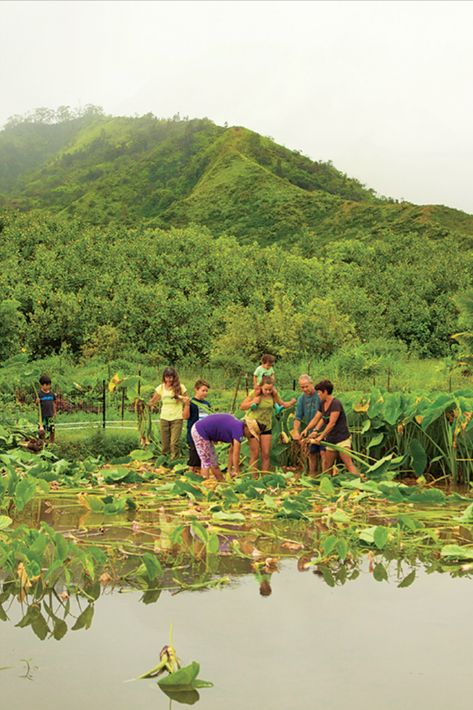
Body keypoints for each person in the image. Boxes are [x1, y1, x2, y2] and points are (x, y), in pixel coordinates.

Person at [300, 379, 360, 476]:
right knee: (327, 465)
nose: (318, 395)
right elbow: (320, 419)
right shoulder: (322, 404)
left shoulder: (336, 403)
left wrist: (320, 437)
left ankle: (360, 483)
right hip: (331, 439)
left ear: (325, 392)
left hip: (342, 439)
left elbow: (331, 423)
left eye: (319, 393)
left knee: (348, 463)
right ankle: (327, 485)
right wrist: (312, 430)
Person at [240, 375, 296, 473]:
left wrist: (291, 402)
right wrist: (253, 401)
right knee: (255, 454)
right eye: (266, 389)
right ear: (261, 387)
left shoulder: (273, 395)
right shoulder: (254, 394)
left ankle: (265, 476)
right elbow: (242, 406)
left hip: (266, 426)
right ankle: (253, 477)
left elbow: (283, 404)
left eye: (270, 389)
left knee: (266, 453)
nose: (268, 392)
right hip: (253, 425)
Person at [191, 413, 260, 480]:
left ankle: (221, 481)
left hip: (204, 432)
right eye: (251, 434)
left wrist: (229, 470)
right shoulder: (238, 430)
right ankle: (204, 485)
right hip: (200, 431)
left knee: (214, 462)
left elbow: (232, 452)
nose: (250, 437)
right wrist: (236, 471)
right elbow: (236, 454)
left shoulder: (237, 426)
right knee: (206, 462)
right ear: (247, 428)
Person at [148, 367, 189, 460]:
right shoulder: (161, 388)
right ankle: (165, 461)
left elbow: (187, 400)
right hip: (164, 417)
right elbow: (153, 400)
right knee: (165, 443)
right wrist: (145, 405)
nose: (169, 379)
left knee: (174, 443)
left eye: (171, 377)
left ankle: (174, 461)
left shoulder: (181, 387)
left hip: (177, 417)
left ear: (175, 377)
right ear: (164, 377)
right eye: (167, 377)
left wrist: (183, 400)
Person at [291, 374, 320, 475]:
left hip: (323, 430)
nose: (304, 389)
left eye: (306, 386)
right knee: (311, 453)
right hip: (310, 431)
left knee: (325, 453)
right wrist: (295, 431)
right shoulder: (301, 398)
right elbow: (297, 417)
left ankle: (325, 475)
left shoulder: (319, 395)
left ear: (312, 384)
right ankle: (313, 475)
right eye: (302, 387)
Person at [184, 379, 212, 472]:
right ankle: (190, 474)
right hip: (193, 433)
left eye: (206, 391)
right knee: (193, 455)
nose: (205, 393)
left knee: (203, 456)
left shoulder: (207, 404)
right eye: (203, 390)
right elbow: (185, 417)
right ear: (196, 389)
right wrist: (187, 405)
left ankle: (200, 475)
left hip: (204, 434)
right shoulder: (191, 402)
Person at [36, 374, 57, 444]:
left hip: (50, 415)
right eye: (47, 385)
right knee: (42, 431)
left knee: (52, 429)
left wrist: (54, 412)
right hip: (42, 416)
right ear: (42, 385)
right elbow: (36, 404)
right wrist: (37, 401)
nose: (49, 386)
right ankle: (43, 443)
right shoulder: (39, 394)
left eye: (49, 385)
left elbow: (53, 403)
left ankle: (52, 442)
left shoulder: (51, 394)